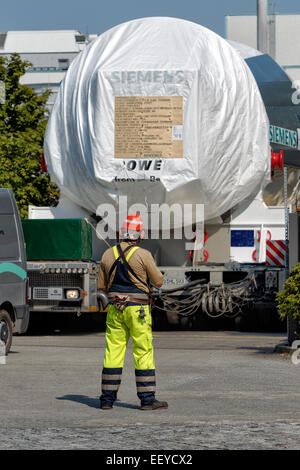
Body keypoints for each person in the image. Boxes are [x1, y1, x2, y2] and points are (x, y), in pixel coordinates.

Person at [98, 213, 168, 411]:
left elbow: (102, 286)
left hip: (114, 309)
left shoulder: (107, 254)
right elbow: (159, 281)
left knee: (113, 351)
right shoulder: (143, 254)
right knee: (143, 352)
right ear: (140, 235)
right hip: (138, 310)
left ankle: (107, 400)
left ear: (121, 233)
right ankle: (147, 400)